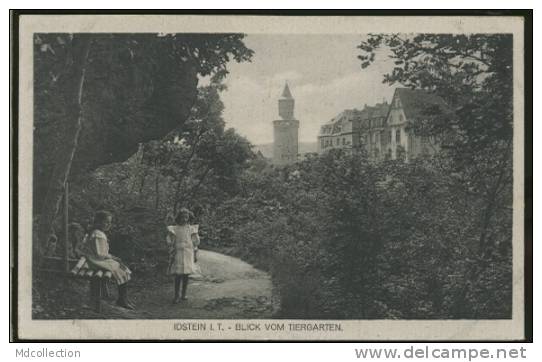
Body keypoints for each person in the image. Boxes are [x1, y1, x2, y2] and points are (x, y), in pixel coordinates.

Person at [82, 210, 135, 310]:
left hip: (93, 258)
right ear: (98, 222)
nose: (108, 224)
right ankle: (122, 299)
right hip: (95, 261)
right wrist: (112, 257)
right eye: (106, 222)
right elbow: (100, 254)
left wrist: (112, 257)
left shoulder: (95, 232)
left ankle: (123, 298)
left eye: (110, 222)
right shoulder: (98, 234)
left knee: (122, 266)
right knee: (122, 269)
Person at [166, 208, 200, 303]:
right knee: (178, 274)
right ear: (179, 218)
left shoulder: (191, 229)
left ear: (189, 218)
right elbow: (170, 240)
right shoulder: (175, 229)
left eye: (186, 217)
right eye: (182, 217)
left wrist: (195, 254)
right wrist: (171, 247)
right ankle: (176, 295)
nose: (184, 219)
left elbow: (195, 242)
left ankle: (184, 294)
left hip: (188, 252)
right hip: (178, 252)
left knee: (186, 274)